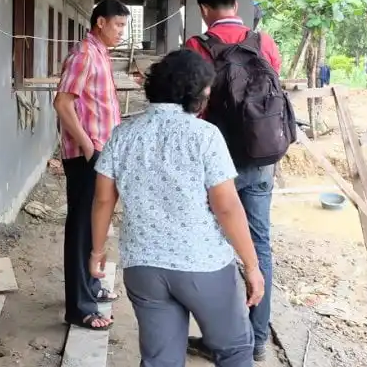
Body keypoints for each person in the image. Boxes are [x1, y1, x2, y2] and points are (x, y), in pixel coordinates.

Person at [90, 50, 265, 366]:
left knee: (160, 360)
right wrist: (252, 266)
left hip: (143, 267)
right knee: (235, 350)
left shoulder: (122, 134)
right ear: (194, 94)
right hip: (202, 264)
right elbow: (226, 207)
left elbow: (103, 199)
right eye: (206, 92)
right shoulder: (205, 136)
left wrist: (97, 252)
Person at [185, 0, 282, 362]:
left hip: (215, 161)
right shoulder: (264, 42)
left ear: (205, 10)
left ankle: (221, 338)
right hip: (261, 158)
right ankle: (257, 339)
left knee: (212, 246)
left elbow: (193, 106)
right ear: (237, 3)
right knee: (259, 246)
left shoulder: (198, 47)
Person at [53, 0, 130, 331]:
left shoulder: (101, 54)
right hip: (88, 156)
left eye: (124, 26)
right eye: (118, 25)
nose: (121, 32)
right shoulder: (84, 55)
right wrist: (86, 146)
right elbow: (62, 103)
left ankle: (91, 287)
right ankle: (79, 308)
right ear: (100, 22)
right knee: (82, 228)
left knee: (94, 225)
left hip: (101, 152)